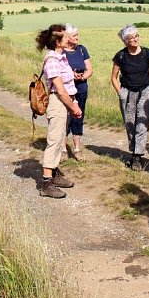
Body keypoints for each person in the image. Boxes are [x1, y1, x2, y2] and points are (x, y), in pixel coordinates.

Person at [36, 24, 83, 198]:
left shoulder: (61, 57)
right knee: (54, 140)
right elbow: (60, 90)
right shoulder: (53, 61)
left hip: (65, 101)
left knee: (58, 137)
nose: (69, 38)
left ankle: (54, 174)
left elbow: (67, 85)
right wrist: (73, 106)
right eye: (65, 36)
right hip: (58, 102)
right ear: (57, 41)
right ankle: (46, 183)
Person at [110, 24, 149, 170]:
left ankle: (138, 156)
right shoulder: (120, 55)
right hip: (128, 92)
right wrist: (120, 92)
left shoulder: (147, 53)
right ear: (125, 41)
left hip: (146, 90)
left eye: (136, 36)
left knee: (142, 123)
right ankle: (134, 151)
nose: (134, 39)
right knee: (130, 122)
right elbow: (113, 77)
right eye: (131, 38)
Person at [62, 23, 93, 160]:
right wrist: (71, 76)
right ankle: (63, 149)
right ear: (67, 37)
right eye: (74, 35)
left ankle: (77, 149)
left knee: (78, 117)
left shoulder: (82, 49)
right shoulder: (60, 51)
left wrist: (82, 77)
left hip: (81, 89)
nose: (77, 37)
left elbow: (90, 69)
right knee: (64, 119)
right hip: (66, 91)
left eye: (77, 35)